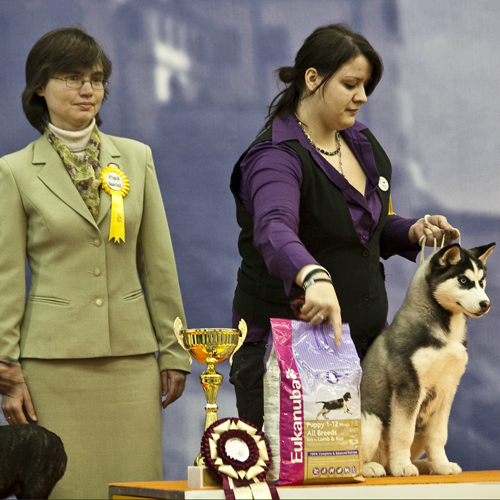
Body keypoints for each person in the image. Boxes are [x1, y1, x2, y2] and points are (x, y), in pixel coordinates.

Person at [229, 24, 459, 430]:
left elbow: (367, 227)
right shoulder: (274, 157)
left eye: (366, 85)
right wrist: (313, 276)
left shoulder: (362, 141)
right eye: (350, 84)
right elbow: (274, 228)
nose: (362, 97)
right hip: (288, 354)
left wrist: (411, 230)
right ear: (312, 78)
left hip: (369, 348)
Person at [0, 27, 190, 499]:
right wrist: (7, 371)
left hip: (131, 364)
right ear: (39, 87)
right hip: (51, 366)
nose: (87, 89)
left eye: (96, 78)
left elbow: (159, 265)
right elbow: (7, 278)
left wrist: (175, 349)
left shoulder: (137, 158)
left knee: (134, 490)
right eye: (72, 77)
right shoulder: (14, 171)